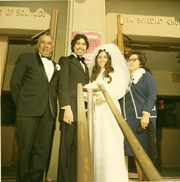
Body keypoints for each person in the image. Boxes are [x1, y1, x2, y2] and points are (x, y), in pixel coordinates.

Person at [10, 34, 59, 182]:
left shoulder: (56, 66)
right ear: (37, 45)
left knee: (42, 152)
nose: (45, 45)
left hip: (48, 113)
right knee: (25, 150)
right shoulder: (26, 58)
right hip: (27, 112)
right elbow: (14, 83)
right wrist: (23, 106)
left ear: (52, 47)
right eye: (42, 42)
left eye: (49, 43)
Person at [86, 43, 130, 182]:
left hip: (109, 110)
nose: (102, 59)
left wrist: (103, 96)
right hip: (96, 110)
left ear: (109, 59)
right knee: (96, 141)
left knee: (110, 141)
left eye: (105, 57)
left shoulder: (113, 73)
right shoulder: (94, 74)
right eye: (99, 57)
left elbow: (119, 91)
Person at [119, 50, 157, 181]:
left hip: (143, 118)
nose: (131, 62)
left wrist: (146, 114)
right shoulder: (125, 78)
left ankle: (144, 180)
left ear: (141, 62)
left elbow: (151, 95)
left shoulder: (145, 76)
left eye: (134, 59)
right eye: (129, 59)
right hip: (129, 118)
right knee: (134, 152)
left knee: (143, 151)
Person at [57, 33, 89, 182]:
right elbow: (62, 85)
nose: (81, 46)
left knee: (77, 150)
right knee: (66, 149)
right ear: (73, 46)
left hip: (82, 113)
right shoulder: (65, 61)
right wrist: (66, 108)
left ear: (86, 48)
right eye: (78, 43)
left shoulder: (86, 67)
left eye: (83, 44)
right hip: (70, 111)